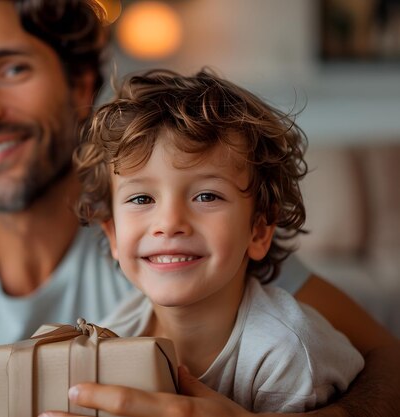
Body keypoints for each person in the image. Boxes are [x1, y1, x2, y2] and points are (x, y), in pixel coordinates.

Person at [0, 1, 399, 417]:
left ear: (80, 84)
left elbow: (388, 362)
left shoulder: (218, 259)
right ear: (111, 232)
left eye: (11, 68)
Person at [53, 68, 363, 413]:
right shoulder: (114, 334)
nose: (169, 224)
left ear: (258, 230)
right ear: (113, 235)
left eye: (206, 196)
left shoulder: (288, 354)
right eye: (142, 199)